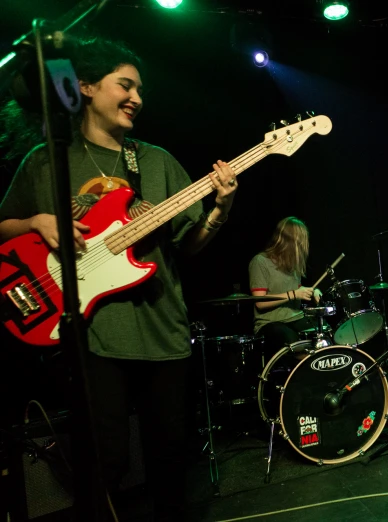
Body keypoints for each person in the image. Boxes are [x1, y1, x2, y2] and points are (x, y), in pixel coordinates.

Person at [0, 38, 238, 519]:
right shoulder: (47, 160)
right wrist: (36, 223)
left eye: (140, 90)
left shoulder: (155, 161)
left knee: (170, 459)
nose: (137, 98)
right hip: (94, 333)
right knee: (105, 459)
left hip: (162, 329)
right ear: (85, 87)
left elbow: (188, 245)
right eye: (125, 85)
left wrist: (220, 208)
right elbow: (3, 225)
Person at [249, 216, 323, 352]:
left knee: (322, 334)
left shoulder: (292, 263)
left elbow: (296, 288)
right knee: (292, 340)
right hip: (270, 323)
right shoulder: (260, 262)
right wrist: (293, 294)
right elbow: (260, 302)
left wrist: (312, 291)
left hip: (296, 317)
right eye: (301, 241)